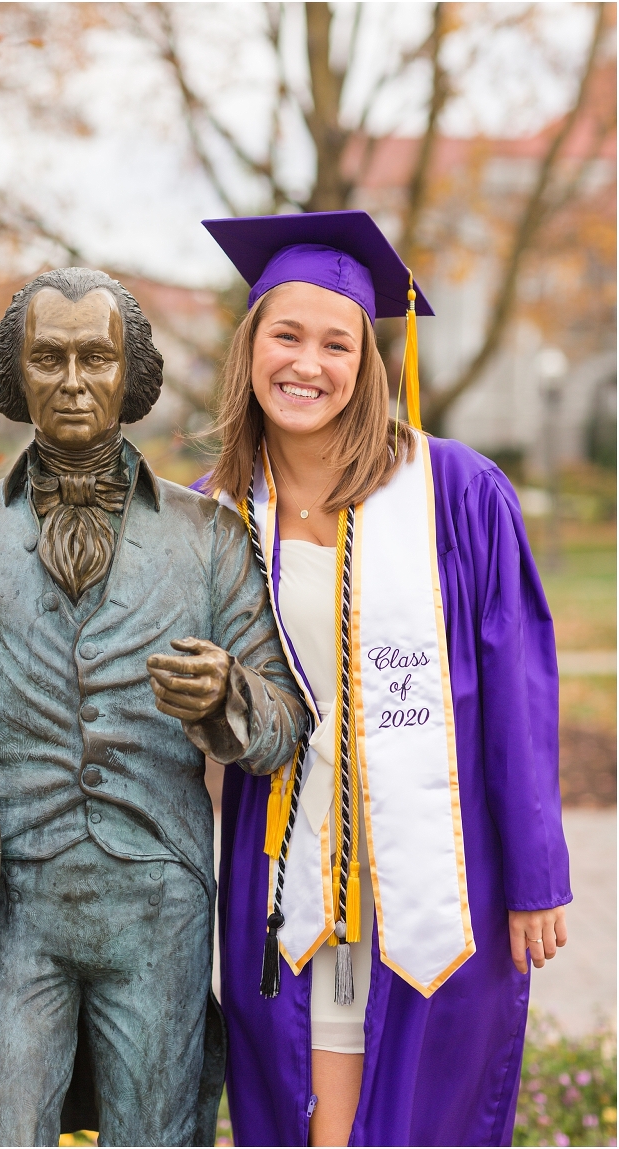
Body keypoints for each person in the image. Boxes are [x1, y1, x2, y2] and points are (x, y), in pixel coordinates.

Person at [0, 267, 306, 1147]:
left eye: (95, 357)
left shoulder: (208, 536)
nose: (71, 379)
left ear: (130, 375)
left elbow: (284, 718)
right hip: (8, 908)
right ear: (15, 375)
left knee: (159, 1136)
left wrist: (228, 698)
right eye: (48, 357)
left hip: (160, 911)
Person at [195, 211, 571, 1148]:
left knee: (421, 1108)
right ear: (251, 347)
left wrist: (535, 873)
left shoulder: (457, 492)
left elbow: (517, 686)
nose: (307, 363)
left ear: (368, 360)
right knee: (306, 1110)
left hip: (440, 855)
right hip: (282, 856)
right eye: (287, 335)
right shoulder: (210, 515)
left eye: (336, 343)